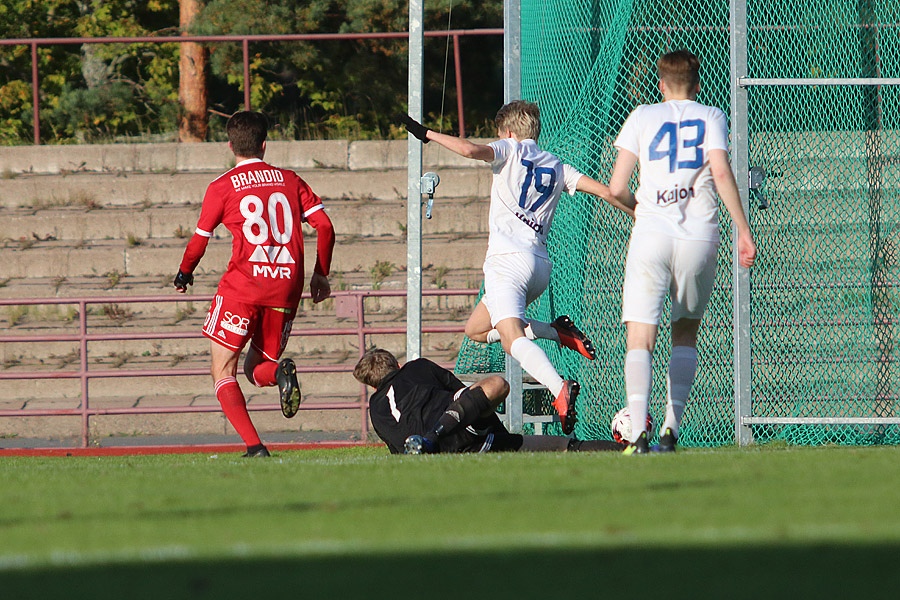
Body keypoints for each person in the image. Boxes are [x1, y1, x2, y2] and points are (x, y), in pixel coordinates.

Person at [399, 102, 634, 436]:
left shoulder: (508, 148)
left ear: (508, 132)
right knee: (477, 330)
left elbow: (468, 148)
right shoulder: (556, 165)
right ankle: (557, 331)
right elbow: (608, 192)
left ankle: (558, 389)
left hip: (507, 264)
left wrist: (426, 133)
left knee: (510, 338)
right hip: (539, 266)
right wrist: (638, 213)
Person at [607, 50, 757, 454]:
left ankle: (638, 433)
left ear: (660, 84)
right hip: (698, 237)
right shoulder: (711, 116)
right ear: (698, 84)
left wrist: (643, 211)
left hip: (651, 235)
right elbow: (721, 171)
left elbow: (617, 188)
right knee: (685, 332)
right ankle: (669, 431)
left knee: (640, 336)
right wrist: (743, 229)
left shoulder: (641, 115)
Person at [173, 111, 335, 458]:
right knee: (256, 370)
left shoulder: (221, 186)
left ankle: (255, 446)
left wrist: (185, 273)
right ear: (264, 144)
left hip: (243, 287)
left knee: (222, 371)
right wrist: (320, 273)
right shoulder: (290, 180)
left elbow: (200, 241)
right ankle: (279, 373)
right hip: (285, 287)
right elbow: (325, 227)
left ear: (230, 145)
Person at [353, 348, 624, 454]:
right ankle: (630, 450)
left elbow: (397, 451)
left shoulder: (375, 410)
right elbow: (470, 397)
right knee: (496, 385)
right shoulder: (416, 367)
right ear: (398, 365)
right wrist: (501, 434)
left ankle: (432, 438)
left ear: (372, 384)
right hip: (458, 431)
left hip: (433, 451)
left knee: (549, 446)